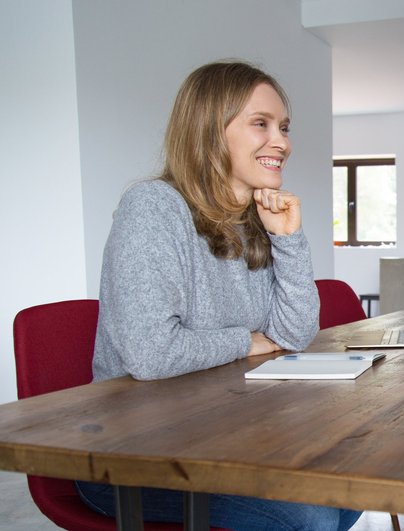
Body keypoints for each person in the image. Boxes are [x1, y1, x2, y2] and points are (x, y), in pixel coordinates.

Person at [77, 60, 361, 531]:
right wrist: (248, 340)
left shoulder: (255, 219)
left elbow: (292, 334)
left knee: (350, 482)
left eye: (284, 127)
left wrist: (289, 238)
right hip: (130, 454)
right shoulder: (152, 208)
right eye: (261, 124)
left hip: (224, 435)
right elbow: (150, 354)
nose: (283, 142)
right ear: (210, 130)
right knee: (312, 514)